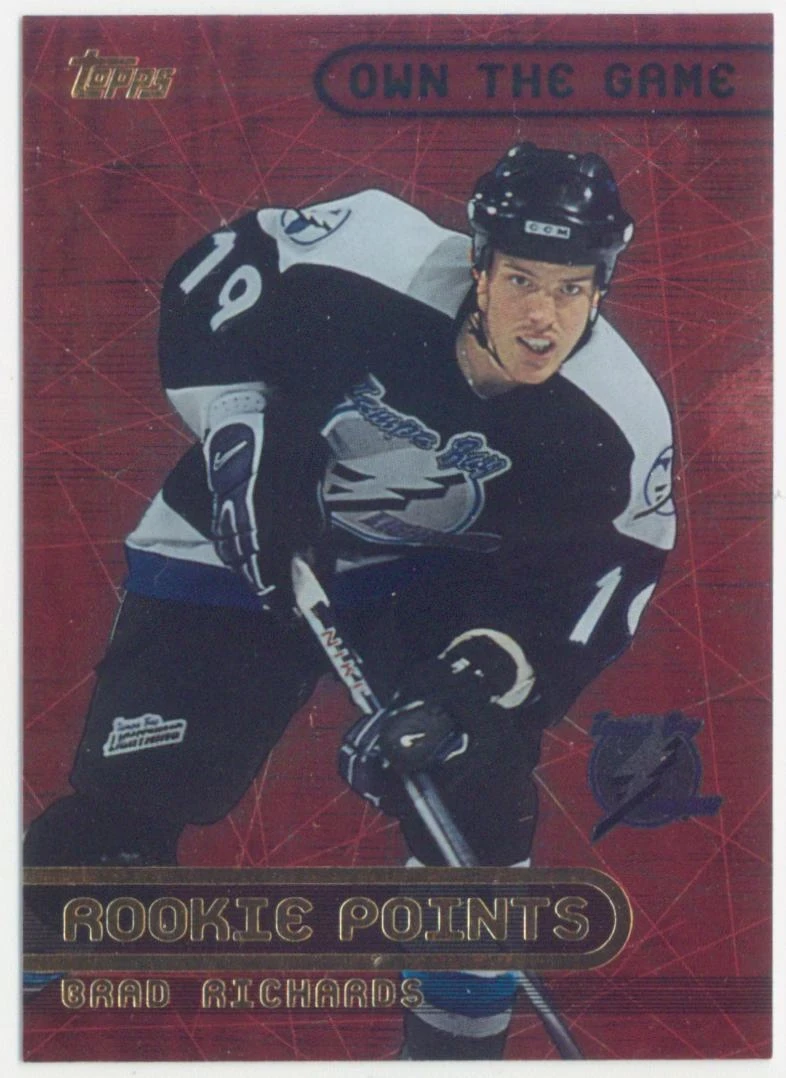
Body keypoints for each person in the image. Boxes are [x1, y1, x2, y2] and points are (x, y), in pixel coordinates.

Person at [25, 142, 676, 1059]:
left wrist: (473, 688)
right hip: (240, 541)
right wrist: (240, 427)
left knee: (475, 781)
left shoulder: (619, 420)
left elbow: (605, 589)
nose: (543, 317)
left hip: (430, 580)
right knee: (119, 828)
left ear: (602, 287)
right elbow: (214, 278)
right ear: (479, 263)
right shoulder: (371, 252)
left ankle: (454, 1051)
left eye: (572, 289)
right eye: (522, 279)